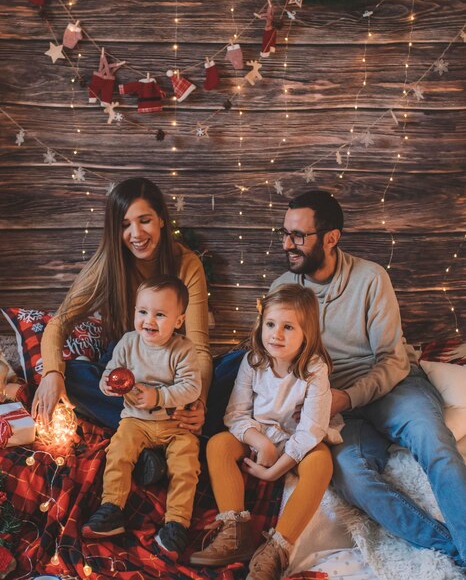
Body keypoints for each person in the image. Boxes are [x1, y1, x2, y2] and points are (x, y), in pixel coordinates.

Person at [270, 190, 466, 567]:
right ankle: (449, 548)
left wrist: (347, 396)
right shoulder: (284, 289)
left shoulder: (370, 278)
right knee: (352, 479)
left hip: (392, 388)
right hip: (337, 408)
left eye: (298, 235)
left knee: (434, 443)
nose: (287, 244)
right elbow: (277, 362)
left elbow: (392, 361)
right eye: (284, 233)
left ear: (331, 238)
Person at [32, 177, 212, 440]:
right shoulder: (108, 263)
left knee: (233, 369)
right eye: (125, 225)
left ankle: (156, 431)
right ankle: (159, 434)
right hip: (126, 375)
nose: (136, 234)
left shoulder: (187, 263)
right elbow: (59, 323)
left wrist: (201, 403)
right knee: (71, 375)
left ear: (161, 218)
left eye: (145, 220)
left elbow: (198, 348)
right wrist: (51, 373)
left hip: (175, 374)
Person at [190, 284, 338, 580]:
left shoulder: (314, 370)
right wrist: (262, 444)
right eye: (270, 324)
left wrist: (275, 469)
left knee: (322, 463)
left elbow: (311, 430)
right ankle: (235, 532)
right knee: (218, 444)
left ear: (306, 333)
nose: (276, 334)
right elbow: (236, 415)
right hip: (258, 434)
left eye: (287, 327)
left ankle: (277, 548)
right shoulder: (253, 362)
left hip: (299, 441)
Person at [82, 275, 201, 557]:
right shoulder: (128, 343)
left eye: (160, 315)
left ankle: (176, 524)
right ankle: (112, 508)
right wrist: (108, 385)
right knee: (119, 450)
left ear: (179, 320)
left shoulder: (183, 349)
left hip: (175, 425)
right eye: (143, 312)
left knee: (186, 464)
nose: (149, 320)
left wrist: (159, 397)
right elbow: (111, 372)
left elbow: (192, 387)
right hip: (136, 421)